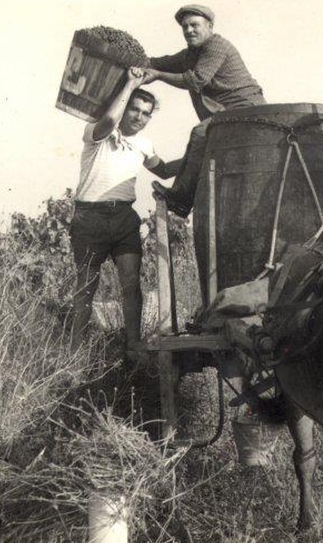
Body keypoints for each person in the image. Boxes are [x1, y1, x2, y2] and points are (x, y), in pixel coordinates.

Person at [70, 67, 179, 354]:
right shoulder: (98, 130)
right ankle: (76, 356)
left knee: (131, 284)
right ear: (125, 106)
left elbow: (165, 170)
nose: (139, 117)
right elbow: (108, 120)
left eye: (146, 113)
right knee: (86, 288)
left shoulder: (144, 144)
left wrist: (199, 150)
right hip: (89, 217)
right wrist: (131, 83)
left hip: (123, 219)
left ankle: (133, 347)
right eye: (134, 109)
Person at [143, 4, 266, 217]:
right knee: (197, 145)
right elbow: (157, 62)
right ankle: (182, 191)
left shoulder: (217, 46)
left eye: (194, 25)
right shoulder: (188, 55)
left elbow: (196, 79)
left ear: (209, 26)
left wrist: (157, 75)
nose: (189, 30)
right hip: (225, 114)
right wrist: (133, 60)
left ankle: (181, 199)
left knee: (201, 133)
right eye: (185, 27)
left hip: (246, 111)